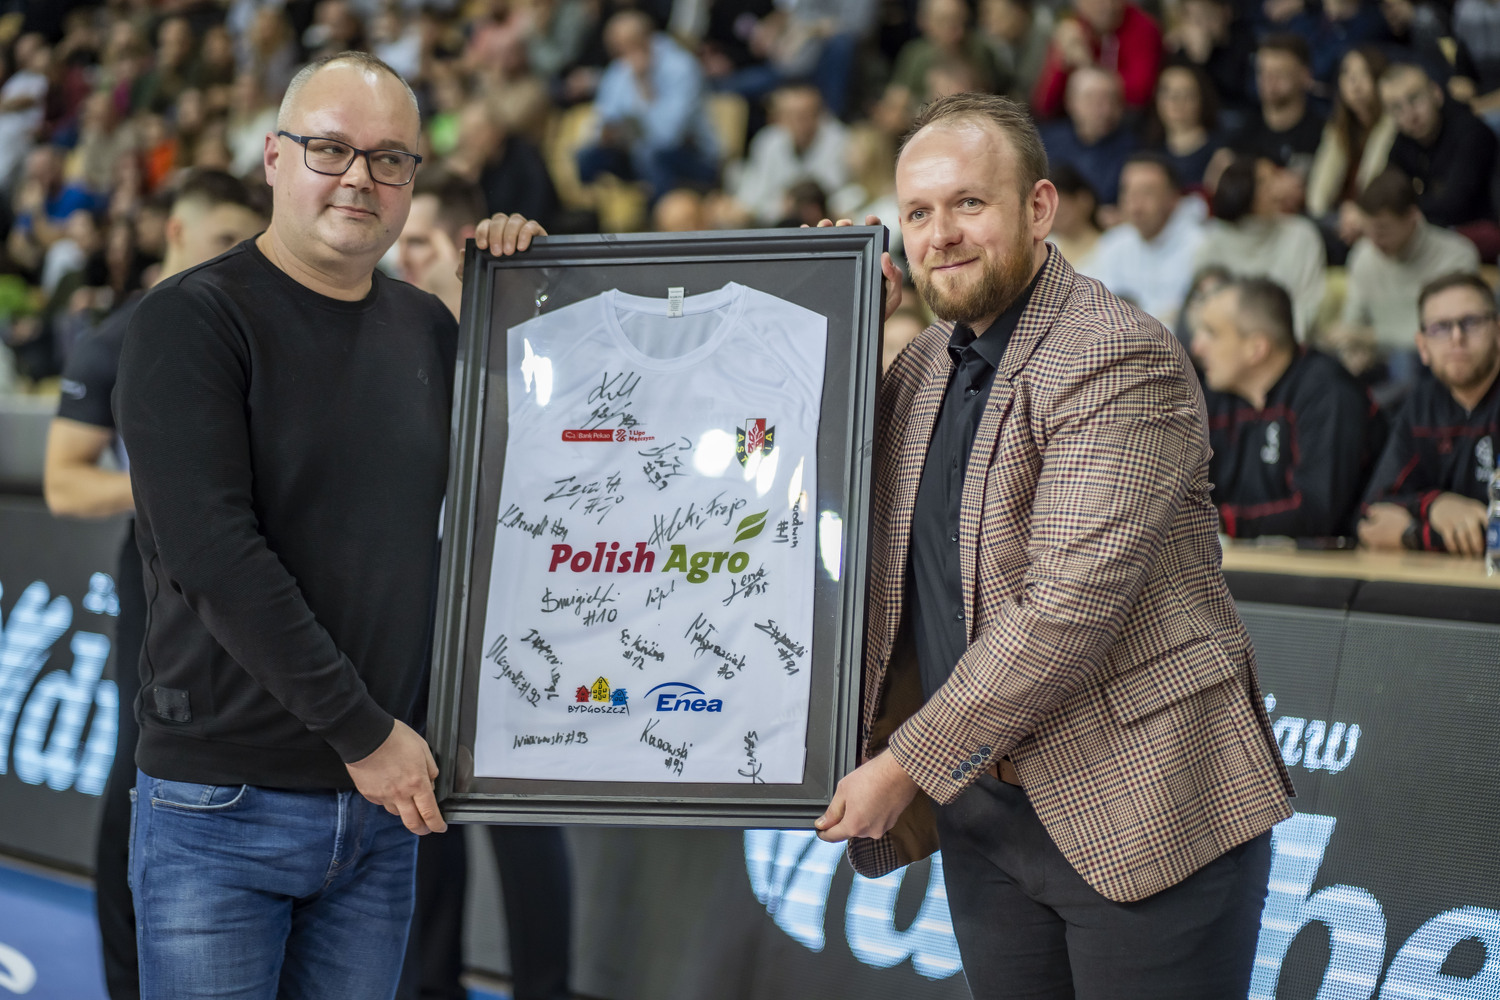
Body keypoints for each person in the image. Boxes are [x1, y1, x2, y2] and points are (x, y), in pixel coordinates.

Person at [813, 92, 1293, 1000]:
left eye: (968, 203)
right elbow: (809, 504)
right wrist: (839, 314)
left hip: (1145, 811)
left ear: (1039, 208)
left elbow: (1067, 610)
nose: (941, 235)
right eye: (918, 213)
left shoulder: (1117, 356)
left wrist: (905, 763)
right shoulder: (921, 365)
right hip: (985, 814)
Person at [114, 51, 545, 1000]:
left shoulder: (428, 329)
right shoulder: (191, 320)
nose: (359, 177)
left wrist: (533, 287)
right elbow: (214, 556)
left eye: (390, 158)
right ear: (274, 158)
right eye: (330, 149)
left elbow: (549, 477)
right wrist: (367, 736)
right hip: (226, 802)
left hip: (380, 810)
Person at [42, 168, 265, 1000]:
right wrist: (182, 487)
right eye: (221, 240)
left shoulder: (260, 327)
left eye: (246, 244)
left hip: (257, 576)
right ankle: (126, 977)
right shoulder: (119, 339)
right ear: (175, 232)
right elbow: (65, 483)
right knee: (139, 768)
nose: (235, 258)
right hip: (157, 578)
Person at [392, 170, 573, 1000]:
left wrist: (526, 268)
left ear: (466, 247)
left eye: (421, 243)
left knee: (524, 825)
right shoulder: (397, 341)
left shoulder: (532, 336)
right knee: (423, 814)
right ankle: (432, 987)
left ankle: (544, 987)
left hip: (526, 612)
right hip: (420, 609)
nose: (404, 259)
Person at [1192, 277, 1385, 539]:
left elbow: (1317, 513)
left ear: (1256, 348)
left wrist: (1215, 523)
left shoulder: (1328, 393)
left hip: (1328, 562)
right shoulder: (1214, 396)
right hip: (1240, 558)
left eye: (1211, 333)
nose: (1197, 346)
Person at [1359, 272, 1500, 555]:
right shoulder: (1421, 404)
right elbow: (1371, 516)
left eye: (1471, 322)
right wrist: (1436, 504)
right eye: (1440, 327)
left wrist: (1414, 535)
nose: (1457, 337)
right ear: (1422, 346)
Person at [1333, 166, 1480, 380]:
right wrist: (1353, 352)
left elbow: (1445, 336)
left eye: (1382, 230)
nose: (1374, 241)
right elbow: (1353, 324)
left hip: (1431, 368)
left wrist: (1370, 338)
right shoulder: (1363, 255)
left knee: (1407, 360)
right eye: (1367, 230)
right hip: (1376, 365)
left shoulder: (1456, 256)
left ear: (1412, 216)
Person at [576, 10, 720, 200]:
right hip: (636, 154)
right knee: (587, 157)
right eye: (617, 49)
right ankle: (592, 214)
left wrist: (643, 83)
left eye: (625, 46)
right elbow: (600, 121)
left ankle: (660, 215)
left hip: (694, 158)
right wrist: (605, 135)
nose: (621, 54)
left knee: (649, 154)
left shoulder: (682, 66)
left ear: (646, 39)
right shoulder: (618, 70)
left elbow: (669, 136)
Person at [1196, 154, 1327, 340]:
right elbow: (1201, 309)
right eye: (1264, 182)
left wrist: (1281, 346)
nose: (1277, 190)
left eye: (1276, 178)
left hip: (1288, 345)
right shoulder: (1212, 242)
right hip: (1225, 346)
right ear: (1239, 186)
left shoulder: (1301, 235)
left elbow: (1308, 304)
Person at [1086, 151, 1207, 331]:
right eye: (1128, 192)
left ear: (1173, 198)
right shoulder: (1112, 243)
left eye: (1147, 193)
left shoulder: (1200, 246)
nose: (1135, 205)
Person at [1380, 62, 1500, 239]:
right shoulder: (1404, 141)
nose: (1410, 115)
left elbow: (1453, 205)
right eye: (1397, 108)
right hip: (1437, 231)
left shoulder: (1471, 131)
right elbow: (1386, 191)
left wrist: (1404, 212)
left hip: (1481, 231)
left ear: (1436, 93)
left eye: (1414, 99)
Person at [1306, 46, 1394, 253]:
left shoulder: (1394, 130)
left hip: (1376, 222)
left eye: (1364, 74)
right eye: (1347, 74)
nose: (1355, 83)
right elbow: (1318, 199)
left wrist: (1361, 215)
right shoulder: (1336, 131)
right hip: (1338, 221)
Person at [731, 84, 849, 225]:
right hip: (776, 227)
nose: (799, 122)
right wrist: (782, 208)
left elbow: (842, 196)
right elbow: (749, 201)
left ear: (820, 114)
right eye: (790, 115)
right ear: (777, 117)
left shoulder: (841, 141)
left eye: (805, 114)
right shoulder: (767, 141)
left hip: (827, 225)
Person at [1030, 0, 1163, 117]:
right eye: (1098, 1)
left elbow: (1140, 94)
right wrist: (1061, 65)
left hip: (1127, 120)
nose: (1109, 6)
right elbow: (1045, 106)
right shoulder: (1072, 29)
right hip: (1074, 124)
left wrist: (1087, 64)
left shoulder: (1144, 27)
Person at [1039, 65, 1136, 207]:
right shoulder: (1046, 141)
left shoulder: (1133, 149)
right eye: (1093, 99)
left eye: (1112, 99)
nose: (1105, 108)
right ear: (1070, 102)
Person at [1227, 34, 1325, 173]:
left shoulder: (1324, 135)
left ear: (1305, 76)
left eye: (1280, 73)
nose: (1269, 80)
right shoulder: (1242, 135)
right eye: (1262, 72)